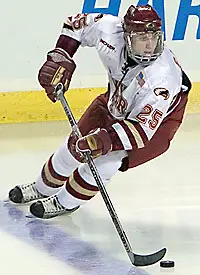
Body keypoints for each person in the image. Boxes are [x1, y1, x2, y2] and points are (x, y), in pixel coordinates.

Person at [8, 4, 192, 219]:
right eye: (142, 38)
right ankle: (41, 188)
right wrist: (61, 55)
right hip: (115, 100)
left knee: (107, 161)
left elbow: (140, 132)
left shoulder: (162, 78)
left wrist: (103, 141)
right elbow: (75, 24)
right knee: (74, 146)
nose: (150, 45)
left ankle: (65, 202)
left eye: (154, 38)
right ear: (126, 36)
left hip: (157, 125)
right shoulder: (110, 30)